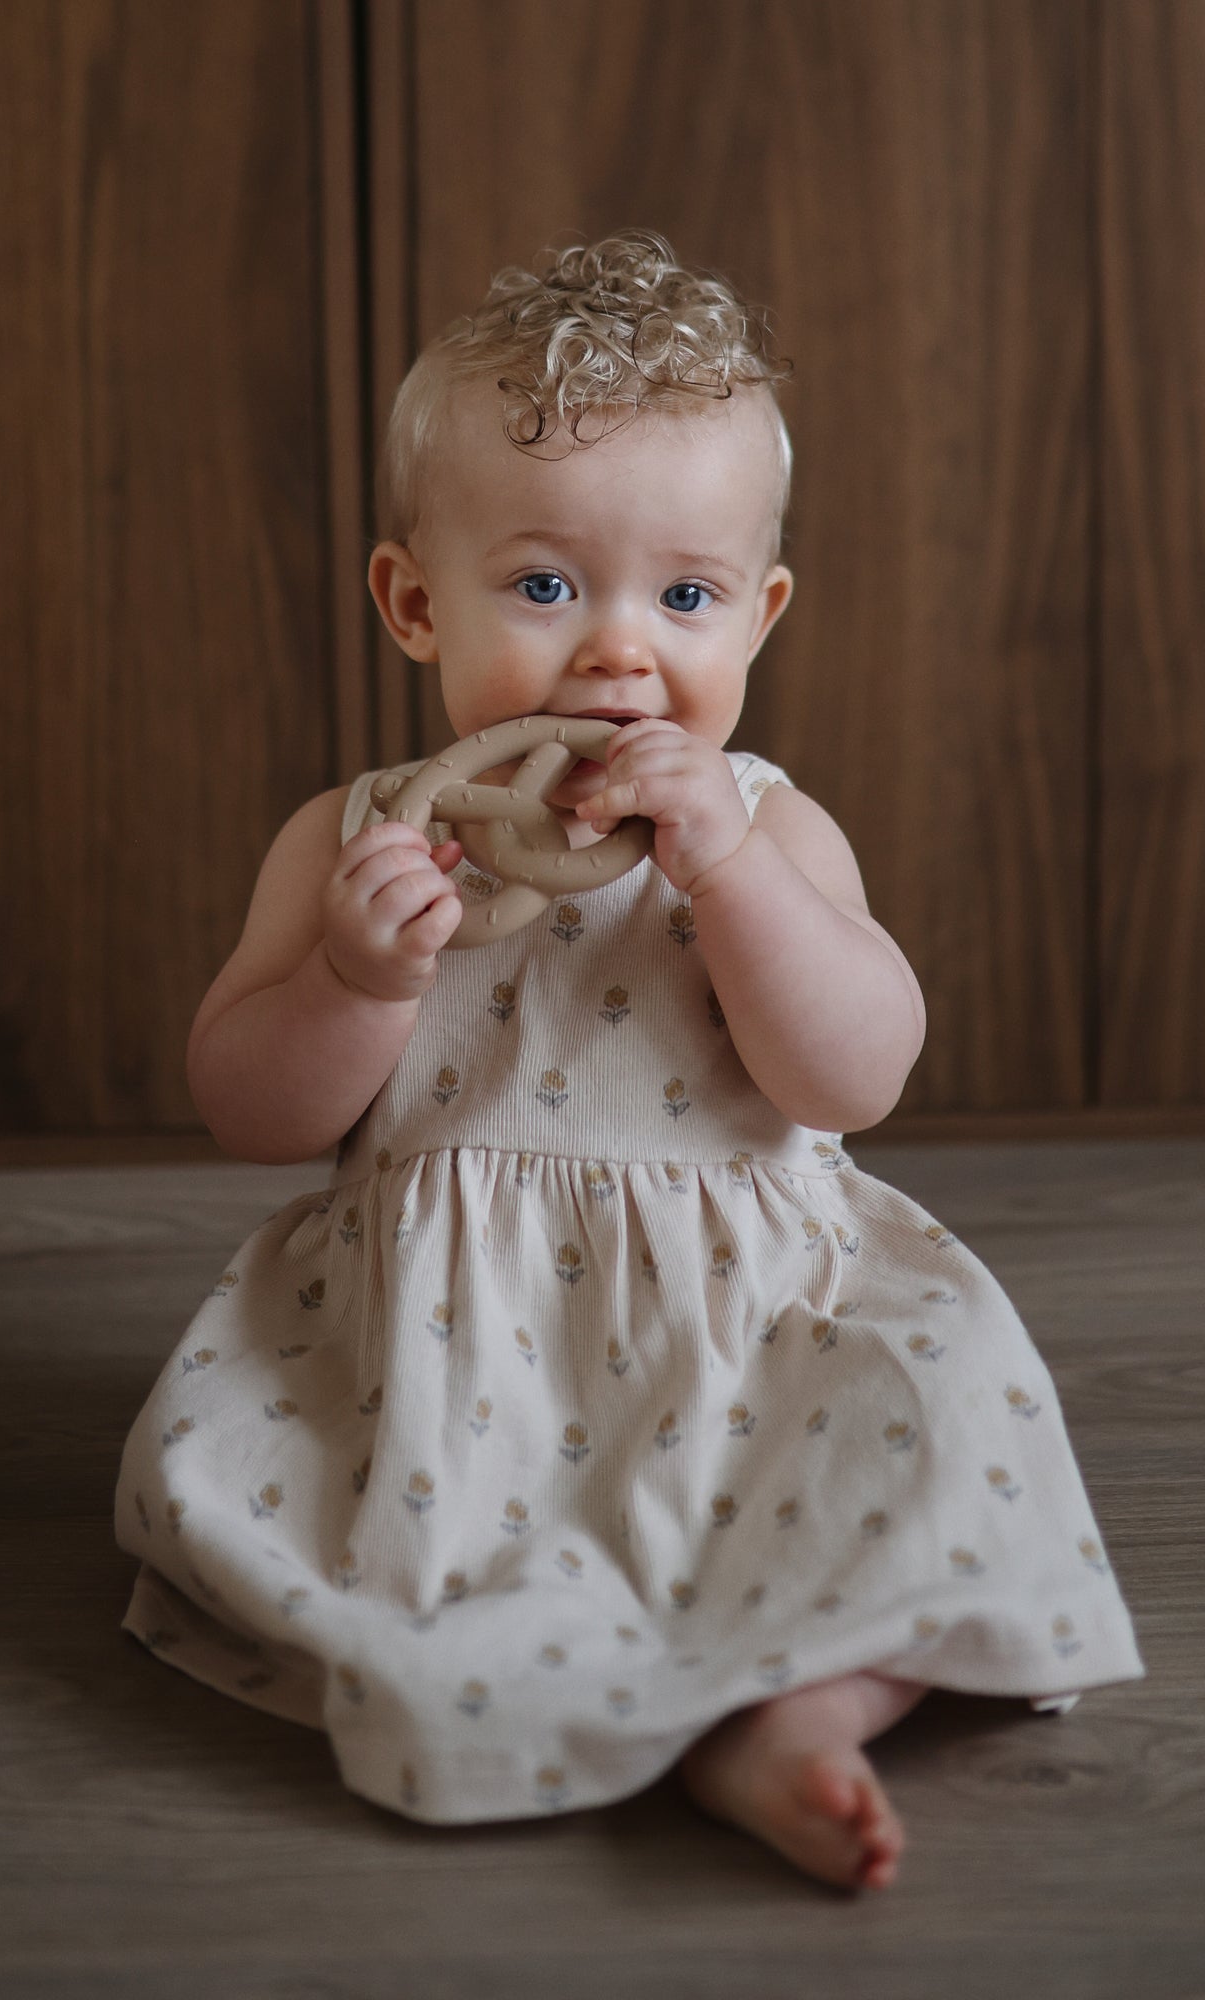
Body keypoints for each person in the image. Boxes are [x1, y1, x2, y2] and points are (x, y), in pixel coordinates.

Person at [114, 230, 1144, 1891]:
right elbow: (246, 1105)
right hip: (452, 1354)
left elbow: (854, 1077)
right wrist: (361, 977)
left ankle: (798, 1715)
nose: (616, 652)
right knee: (296, 1514)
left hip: (746, 1322)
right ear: (410, 601)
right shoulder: (363, 842)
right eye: (542, 586)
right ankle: (548, 1686)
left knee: (945, 1434)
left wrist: (729, 877)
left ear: (762, 612)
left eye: (685, 596)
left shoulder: (771, 825)